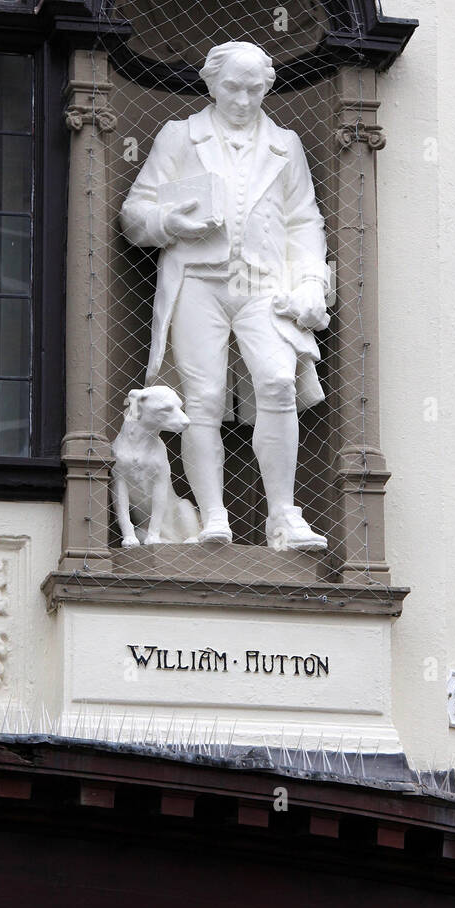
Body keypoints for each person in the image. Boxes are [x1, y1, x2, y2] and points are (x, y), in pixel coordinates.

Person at [120, 40, 330, 550]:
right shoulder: (180, 137)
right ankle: (214, 515)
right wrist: (172, 222)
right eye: (232, 88)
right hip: (199, 281)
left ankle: (283, 514)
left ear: (268, 87)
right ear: (211, 84)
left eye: (253, 89)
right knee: (203, 397)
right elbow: (134, 214)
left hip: (264, 286)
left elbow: (304, 221)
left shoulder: (286, 145)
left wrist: (310, 283)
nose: (241, 99)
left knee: (278, 381)